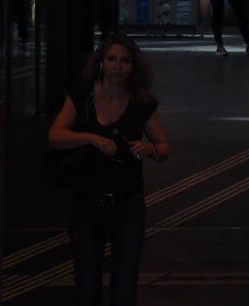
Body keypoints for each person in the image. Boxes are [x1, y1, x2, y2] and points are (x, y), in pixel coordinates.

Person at [47, 33, 171, 306]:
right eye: (111, 59)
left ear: (133, 67)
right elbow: (55, 135)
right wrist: (90, 138)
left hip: (127, 204)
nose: (117, 66)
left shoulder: (142, 103)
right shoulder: (82, 95)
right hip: (86, 204)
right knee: (87, 288)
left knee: (124, 287)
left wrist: (149, 148)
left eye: (124, 61)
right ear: (101, 62)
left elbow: (163, 147)